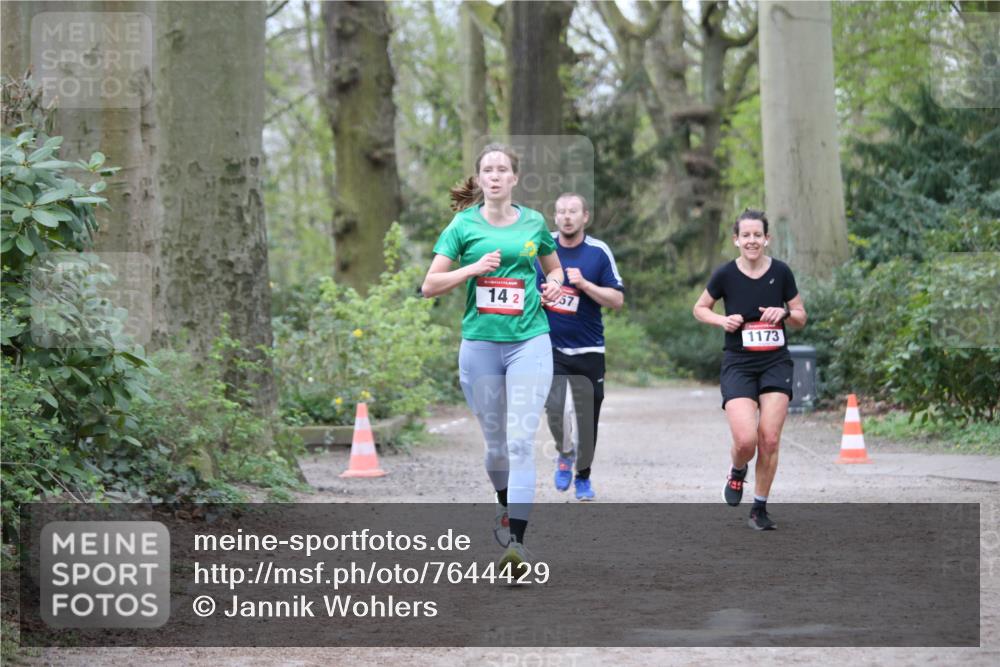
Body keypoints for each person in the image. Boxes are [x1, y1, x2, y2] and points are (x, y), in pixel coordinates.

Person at [421, 143, 564, 572]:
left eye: (504, 169)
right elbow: (429, 285)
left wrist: (555, 284)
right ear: (480, 179)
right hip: (480, 344)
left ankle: (516, 545)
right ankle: (505, 506)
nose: (496, 176)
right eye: (489, 170)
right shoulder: (462, 225)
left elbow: (554, 268)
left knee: (521, 441)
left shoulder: (534, 222)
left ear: (515, 178)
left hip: (530, 340)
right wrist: (472, 269)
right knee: (497, 446)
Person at [692, 209, 807, 530]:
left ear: (767, 239)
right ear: (736, 240)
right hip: (739, 363)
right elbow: (699, 308)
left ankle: (759, 508)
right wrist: (721, 320)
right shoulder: (725, 274)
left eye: (758, 235)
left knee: (769, 439)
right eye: (746, 235)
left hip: (775, 362)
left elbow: (800, 315)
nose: (752, 240)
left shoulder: (781, 272)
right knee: (746, 441)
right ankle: (737, 469)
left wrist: (784, 313)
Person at [537, 193, 624, 501]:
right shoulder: (542, 248)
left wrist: (585, 285)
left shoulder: (598, 252)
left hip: (589, 350)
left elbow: (617, 300)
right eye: (560, 211)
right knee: (555, 410)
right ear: (555, 217)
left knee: (587, 418)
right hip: (550, 347)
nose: (566, 217)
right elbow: (524, 288)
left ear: (585, 216)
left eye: (573, 211)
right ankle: (565, 452)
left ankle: (583, 477)